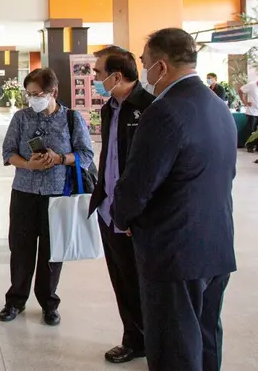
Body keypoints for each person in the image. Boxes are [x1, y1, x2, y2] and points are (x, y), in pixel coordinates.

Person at [113, 28, 237, 371]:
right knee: (206, 338)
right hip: (215, 245)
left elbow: (138, 183)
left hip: (173, 252)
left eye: (144, 62)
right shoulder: (218, 106)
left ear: (162, 67)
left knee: (174, 349)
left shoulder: (163, 111)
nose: (144, 71)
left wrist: (122, 218)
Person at [0, 68, 94, 326]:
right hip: (24, 193)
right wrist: (28, 165)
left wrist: (60, 158)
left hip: (57, 195)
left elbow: (86, 154)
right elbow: (8, 152)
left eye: (37, 94)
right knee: (20, 249)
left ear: (53, 92)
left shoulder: (72, 119)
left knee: (53, 252)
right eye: (28, 94)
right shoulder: (21, 118)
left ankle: (48, 303)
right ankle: (15, 300)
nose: (32, 99)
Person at [90, 46, 155, 364]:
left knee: (140, 281)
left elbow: (151, 170)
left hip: (135, 217)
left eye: (99, 72)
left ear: (117, 75)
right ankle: (133, 338)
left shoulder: (150, 108)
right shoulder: (109, 108)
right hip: (108, 209)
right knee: (121, 278)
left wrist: (134, 214)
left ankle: (149, 339)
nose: (95, 78)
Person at [240, 79, 258, 153]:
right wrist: (245, 102)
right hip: (252, 112)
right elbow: (240, 91)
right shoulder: (251, 85)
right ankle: (250, 146)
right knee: (251, 130)